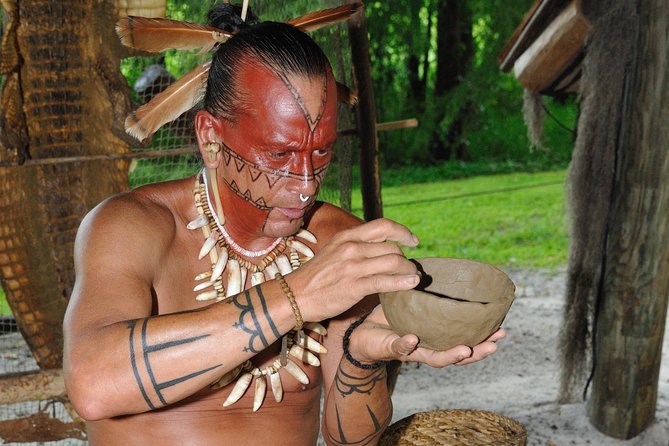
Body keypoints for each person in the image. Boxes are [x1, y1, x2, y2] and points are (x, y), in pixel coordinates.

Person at [63, 5, 505, 445]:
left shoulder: (338, 244)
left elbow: (350, 441)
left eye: (321, 153)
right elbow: (92, 385)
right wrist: (297, 296)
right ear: (211, 139)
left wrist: (358, 362)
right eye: (279, 155)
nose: (306, 184)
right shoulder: (131, 227)